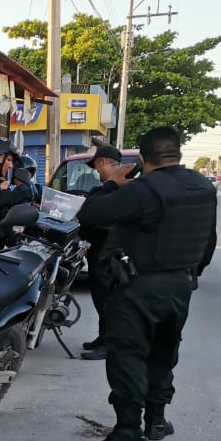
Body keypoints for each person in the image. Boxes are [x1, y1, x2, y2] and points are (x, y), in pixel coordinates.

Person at [74, 127, 217, 441]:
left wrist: (113, 182)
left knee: (127, 354)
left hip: (139, 286)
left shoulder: (144, 189)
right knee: (163, 353)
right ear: (177, 153)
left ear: (142, 158)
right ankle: (156, 420)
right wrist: (188, 274)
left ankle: (128, 431)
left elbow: (89, 213)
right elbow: (208, 242)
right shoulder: (203, 186)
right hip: (181, 284)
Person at [77, 145, 129, 362]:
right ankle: (103, 337)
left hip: (111, 252)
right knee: (101, 297)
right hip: (101, 248)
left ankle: (110, 343)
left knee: (107, 299)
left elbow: (91, 208)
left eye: (97, 165)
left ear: (105, 162)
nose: (96, 171)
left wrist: (109, 185)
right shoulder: (109, 188)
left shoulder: (117, 188)